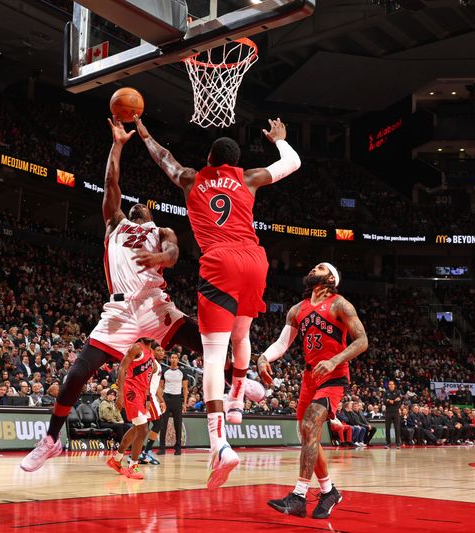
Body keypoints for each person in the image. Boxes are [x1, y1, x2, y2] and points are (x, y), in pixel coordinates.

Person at [20, 119, 206, 472]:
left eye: (144, 207)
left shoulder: (161, 229)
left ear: (150, 215)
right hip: (119, 310)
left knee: (203, 340)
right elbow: (111, 183)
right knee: (77, 373)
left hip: (153, 304)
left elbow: (173, 253)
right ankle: (49, 441)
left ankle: (238, 387)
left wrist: (160, 258)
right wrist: (118, 144)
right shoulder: (115, 224)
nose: (138, 207)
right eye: (133, 205)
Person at [135, 114, 301, 488]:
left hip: (220, 261)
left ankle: (219, 443)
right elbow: (292, 163)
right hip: (255, 261)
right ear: (234, 161)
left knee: (213, 355)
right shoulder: (247, 177)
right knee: (242, 335)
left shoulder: (193, 178)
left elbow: (164, 158)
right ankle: (238, 396)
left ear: (210, 157)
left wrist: (143, 130)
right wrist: (279, 138)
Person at [257, 263, 368, 519]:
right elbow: (282, 343)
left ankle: (298, 495)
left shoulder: (341, 304)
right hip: (309, 377)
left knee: (309, 426)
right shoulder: (298, 309)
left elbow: (362, 341)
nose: (311, 269)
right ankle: (329, 491)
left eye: (318, 267)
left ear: (330, 277)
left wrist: (334, 360)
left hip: (333, 374)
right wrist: (263, 358)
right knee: (309, 435)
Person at [106, 339, 161, 480]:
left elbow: (147, 380)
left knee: (137, 429)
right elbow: (122, 368)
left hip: (142, 394)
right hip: (131, 390)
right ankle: (133, 465)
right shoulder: (137, 348)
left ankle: (116, 460)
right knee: (143, 429)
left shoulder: (151, 354)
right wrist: (120, 393)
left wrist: (148, 398)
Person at [158, 352, 188, 456]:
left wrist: (184, 403)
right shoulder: (165, 371)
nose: (174, 359)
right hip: (166, 398)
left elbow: (185, 388)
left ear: (178, 360)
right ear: (170, 359)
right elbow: (161, 386)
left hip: (177, 399)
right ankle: (162, 448)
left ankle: (178, 448)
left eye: (176, 358)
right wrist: (160, 400)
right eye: (172, 358)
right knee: (163, 424)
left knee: (178, 424)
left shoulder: (182, 372)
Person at [384, 380, 402, 449]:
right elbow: (384, 401)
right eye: (389, 384)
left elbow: (398, 402)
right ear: (388, 385)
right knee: (387, 428)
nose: (391, 385)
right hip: (388, 412)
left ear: (394, 385)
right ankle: (388, 444)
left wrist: (390, 400)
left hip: (395, 412)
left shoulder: (397, 392)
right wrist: (390, 401)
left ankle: (397, 444)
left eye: (392, 384)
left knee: (397, 428)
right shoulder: (386, 392)